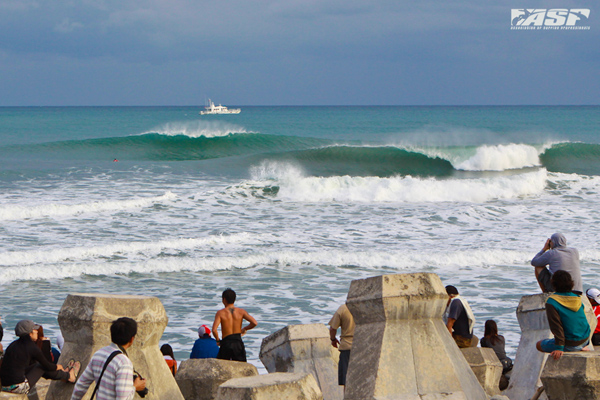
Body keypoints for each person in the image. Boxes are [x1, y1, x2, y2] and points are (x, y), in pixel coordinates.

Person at [71, 317, 146, 400]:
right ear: (132, 339)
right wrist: (135, 386)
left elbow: (81, 385)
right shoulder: (124, 363)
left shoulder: (99, 354)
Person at [0, 320, 78, 395]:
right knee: (41, 367)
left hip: (4, 386)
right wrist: (58, 366)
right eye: (34, 330)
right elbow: (47, 366)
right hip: (18, 388)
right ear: (30, 334)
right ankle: (69, 376)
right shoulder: (31, 347)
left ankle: (64, 377)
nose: (37, 331)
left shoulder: (12, 345)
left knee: (36, 366)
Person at [536, 270, 590, 360]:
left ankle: (575, 347)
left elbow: (556, 326)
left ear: (553, 284)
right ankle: (581, 346)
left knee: (539, 345)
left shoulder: (552, 301)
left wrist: (559, 347)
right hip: (585, 339)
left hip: (571, 344)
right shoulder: (577, 297)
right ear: (571, 283)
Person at [212, 288, 258, 362]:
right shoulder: (241, 311)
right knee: (241, 366)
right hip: (237, 342)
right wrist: (244, 329)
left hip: (226, 343)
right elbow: (254, 323)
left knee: (223, 366)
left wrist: (218, 340)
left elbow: (214, 330)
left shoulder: (220, 313)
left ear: (224, 299)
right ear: (234, 299)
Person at [329, 303, 355, 389]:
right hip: (362, 346)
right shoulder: (365, 306)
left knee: (346, 380)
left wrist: (333, 340)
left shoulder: (343, 309)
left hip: (347, 347)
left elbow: (333, 328)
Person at [480, 320, 512, 390]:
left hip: (497, 363)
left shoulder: (484, 340)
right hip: (507, 362)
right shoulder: (501, 338)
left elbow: (486, 353)